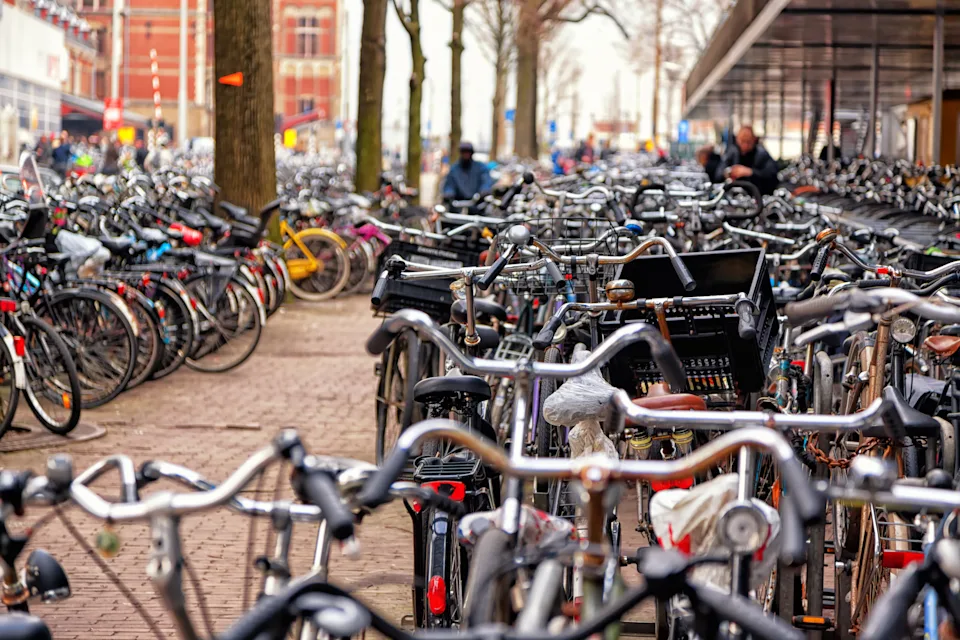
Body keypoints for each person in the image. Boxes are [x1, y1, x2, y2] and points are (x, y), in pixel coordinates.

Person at [714, 125, 779, 195]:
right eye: (742, 141)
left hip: (757, 196)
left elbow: (772, 176)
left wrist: (750, 172)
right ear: (737, 140)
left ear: (754, 140)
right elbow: (718, 174)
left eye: (748, 142)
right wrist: (729, 173)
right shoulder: (732, 153)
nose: (745, 145)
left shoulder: (762, 154)